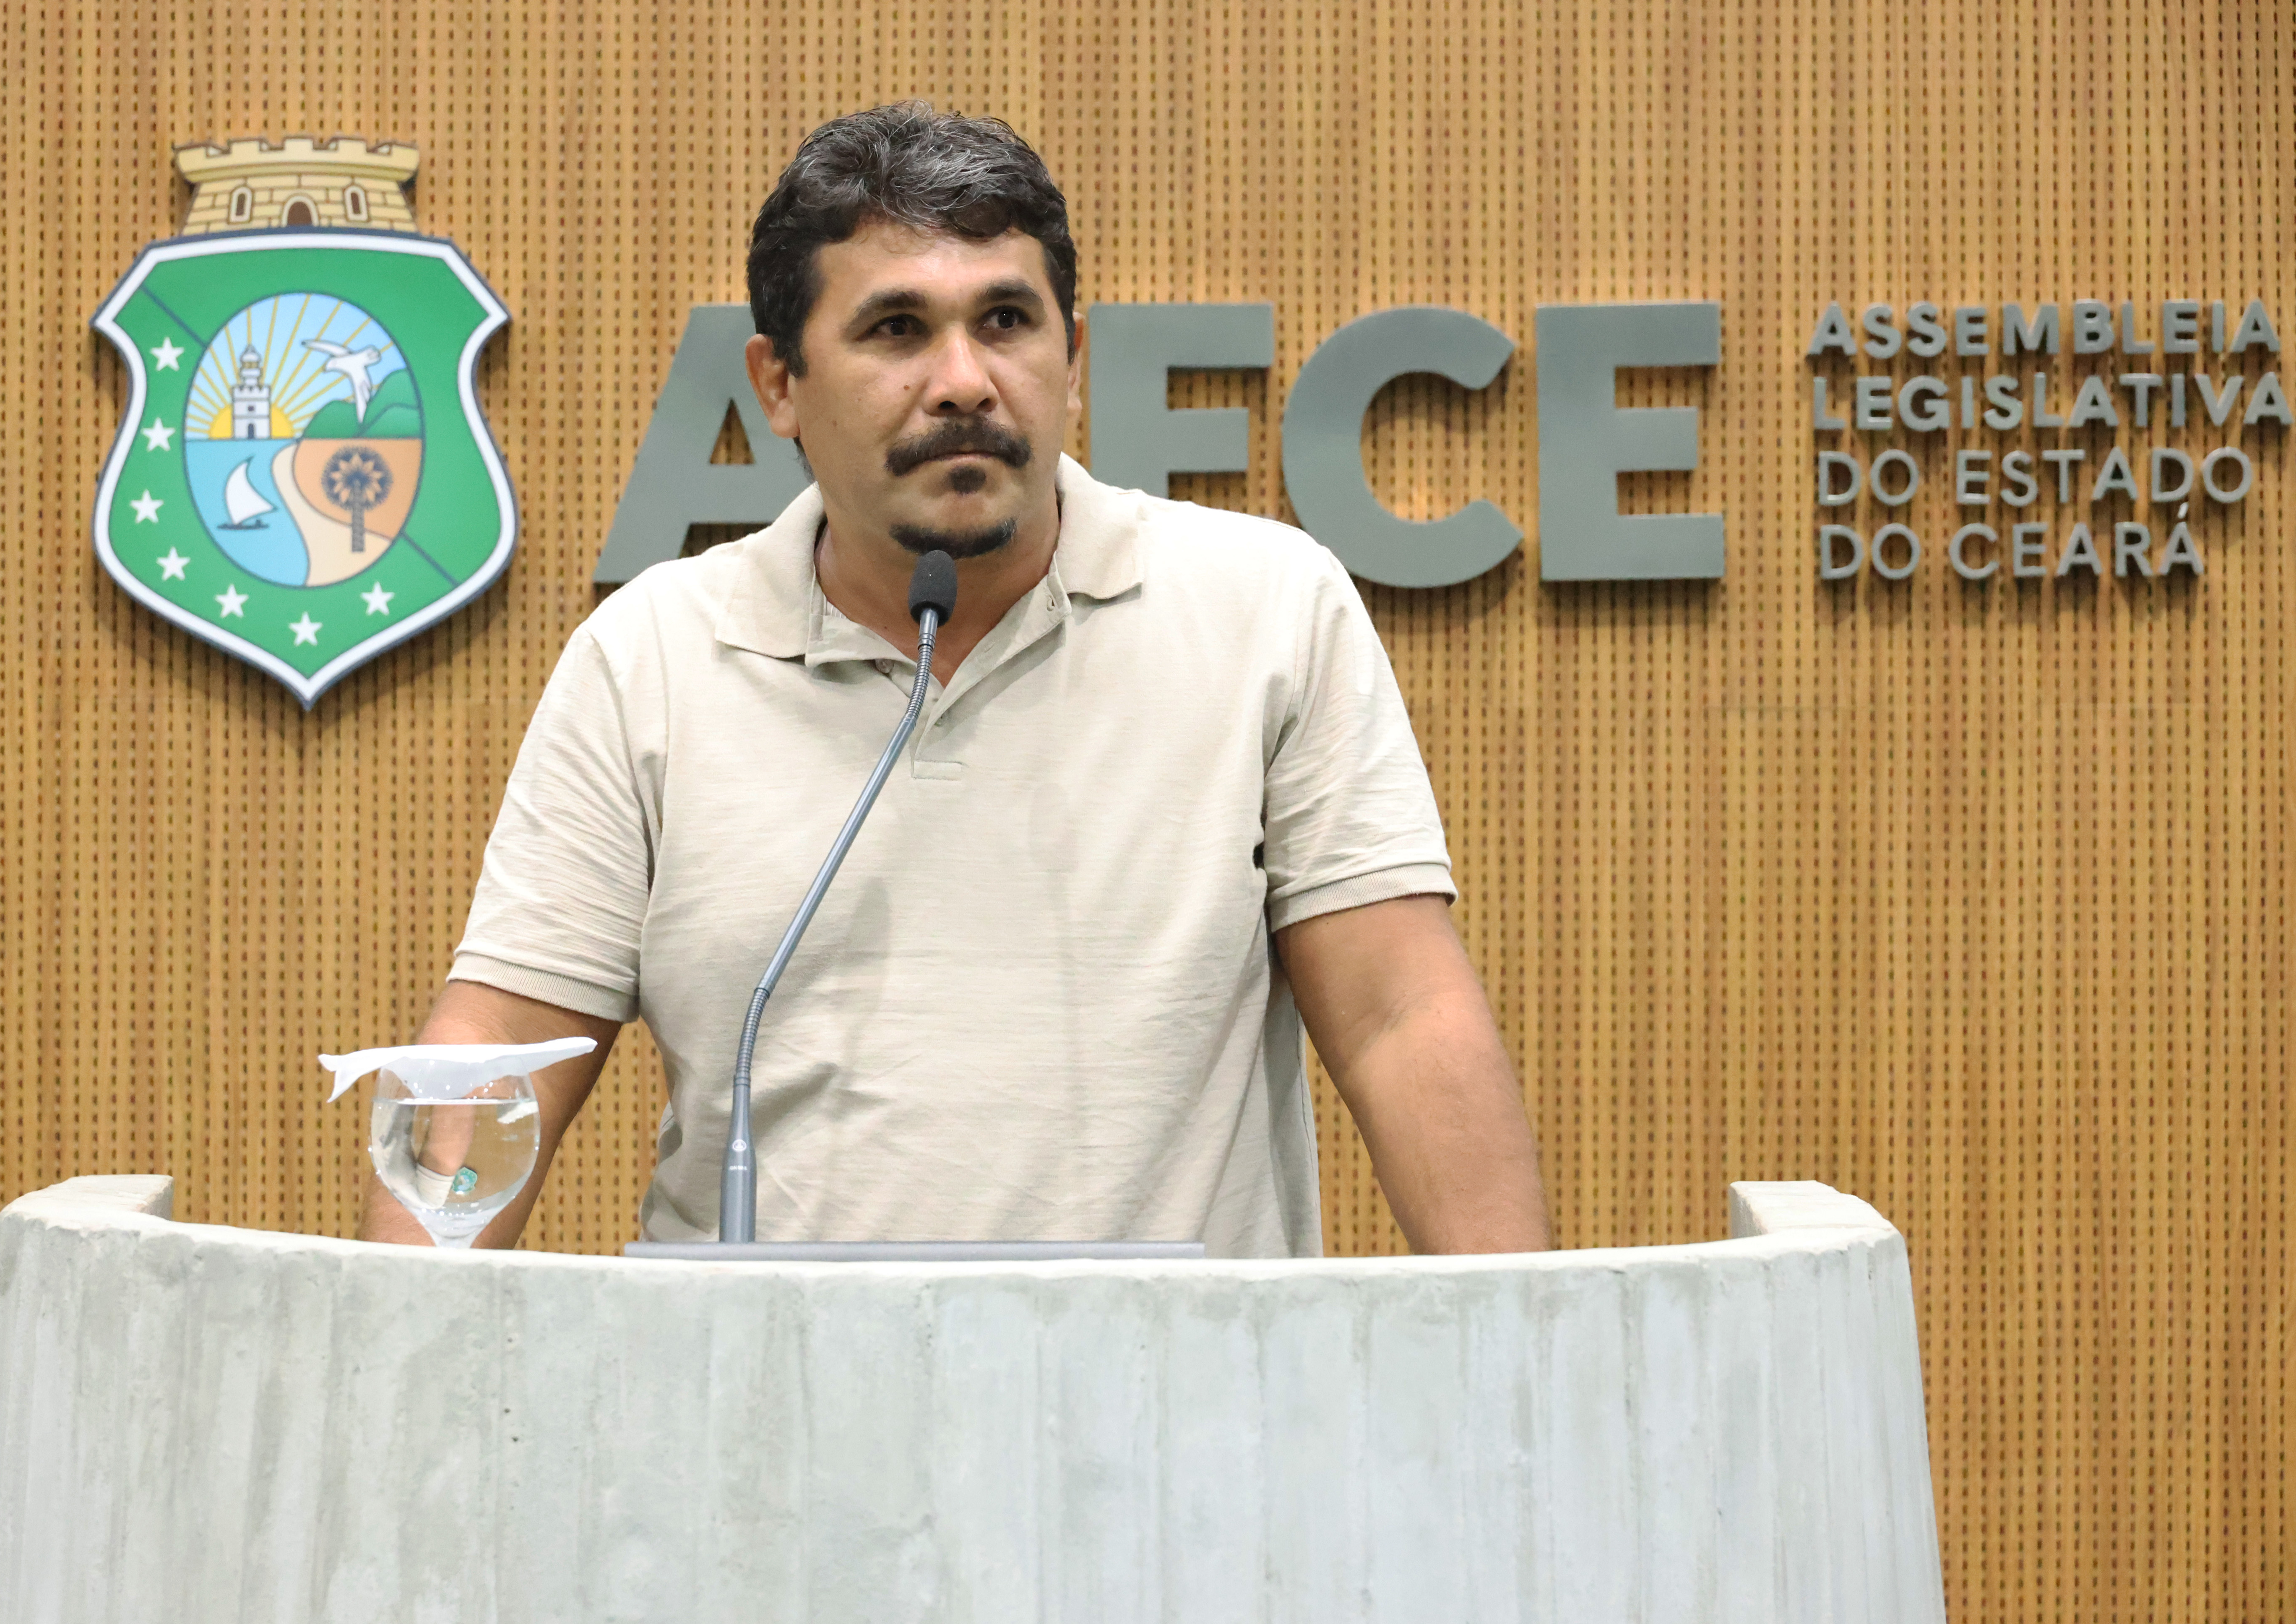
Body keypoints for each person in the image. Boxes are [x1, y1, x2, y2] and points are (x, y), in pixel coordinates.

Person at [361, 103, 1551, 1257]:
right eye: (897, 330)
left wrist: (1521, 1351)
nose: (966, 381)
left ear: (1073, 360)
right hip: (770, 1379)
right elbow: (499, 1044)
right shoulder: (652, 656)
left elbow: (1400, 1018)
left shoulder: (1267, 608)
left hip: (1173, 1380)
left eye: (1007, 321)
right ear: (778, 384)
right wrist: (398, 1335)